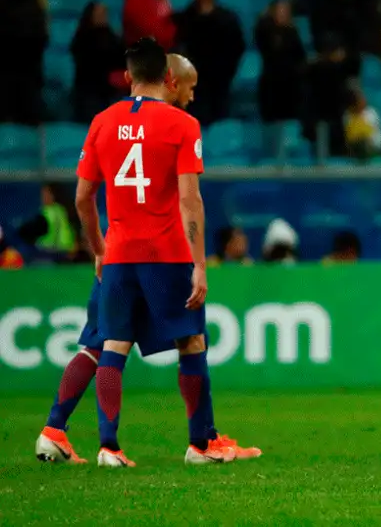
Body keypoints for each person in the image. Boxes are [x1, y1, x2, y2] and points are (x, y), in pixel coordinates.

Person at [34, 50, 260, 464]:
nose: (192, 96)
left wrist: (98, 249)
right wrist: (201, 264)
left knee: (104, 344)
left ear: (126, 76)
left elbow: (83, 197)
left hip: (117, 255)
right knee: (191, 341)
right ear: (170, 81)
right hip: (165, 252)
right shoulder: (181, 125)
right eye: (189, 87)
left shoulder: (102, 121)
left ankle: (93, 442)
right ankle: (202, 443)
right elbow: (190, 200)